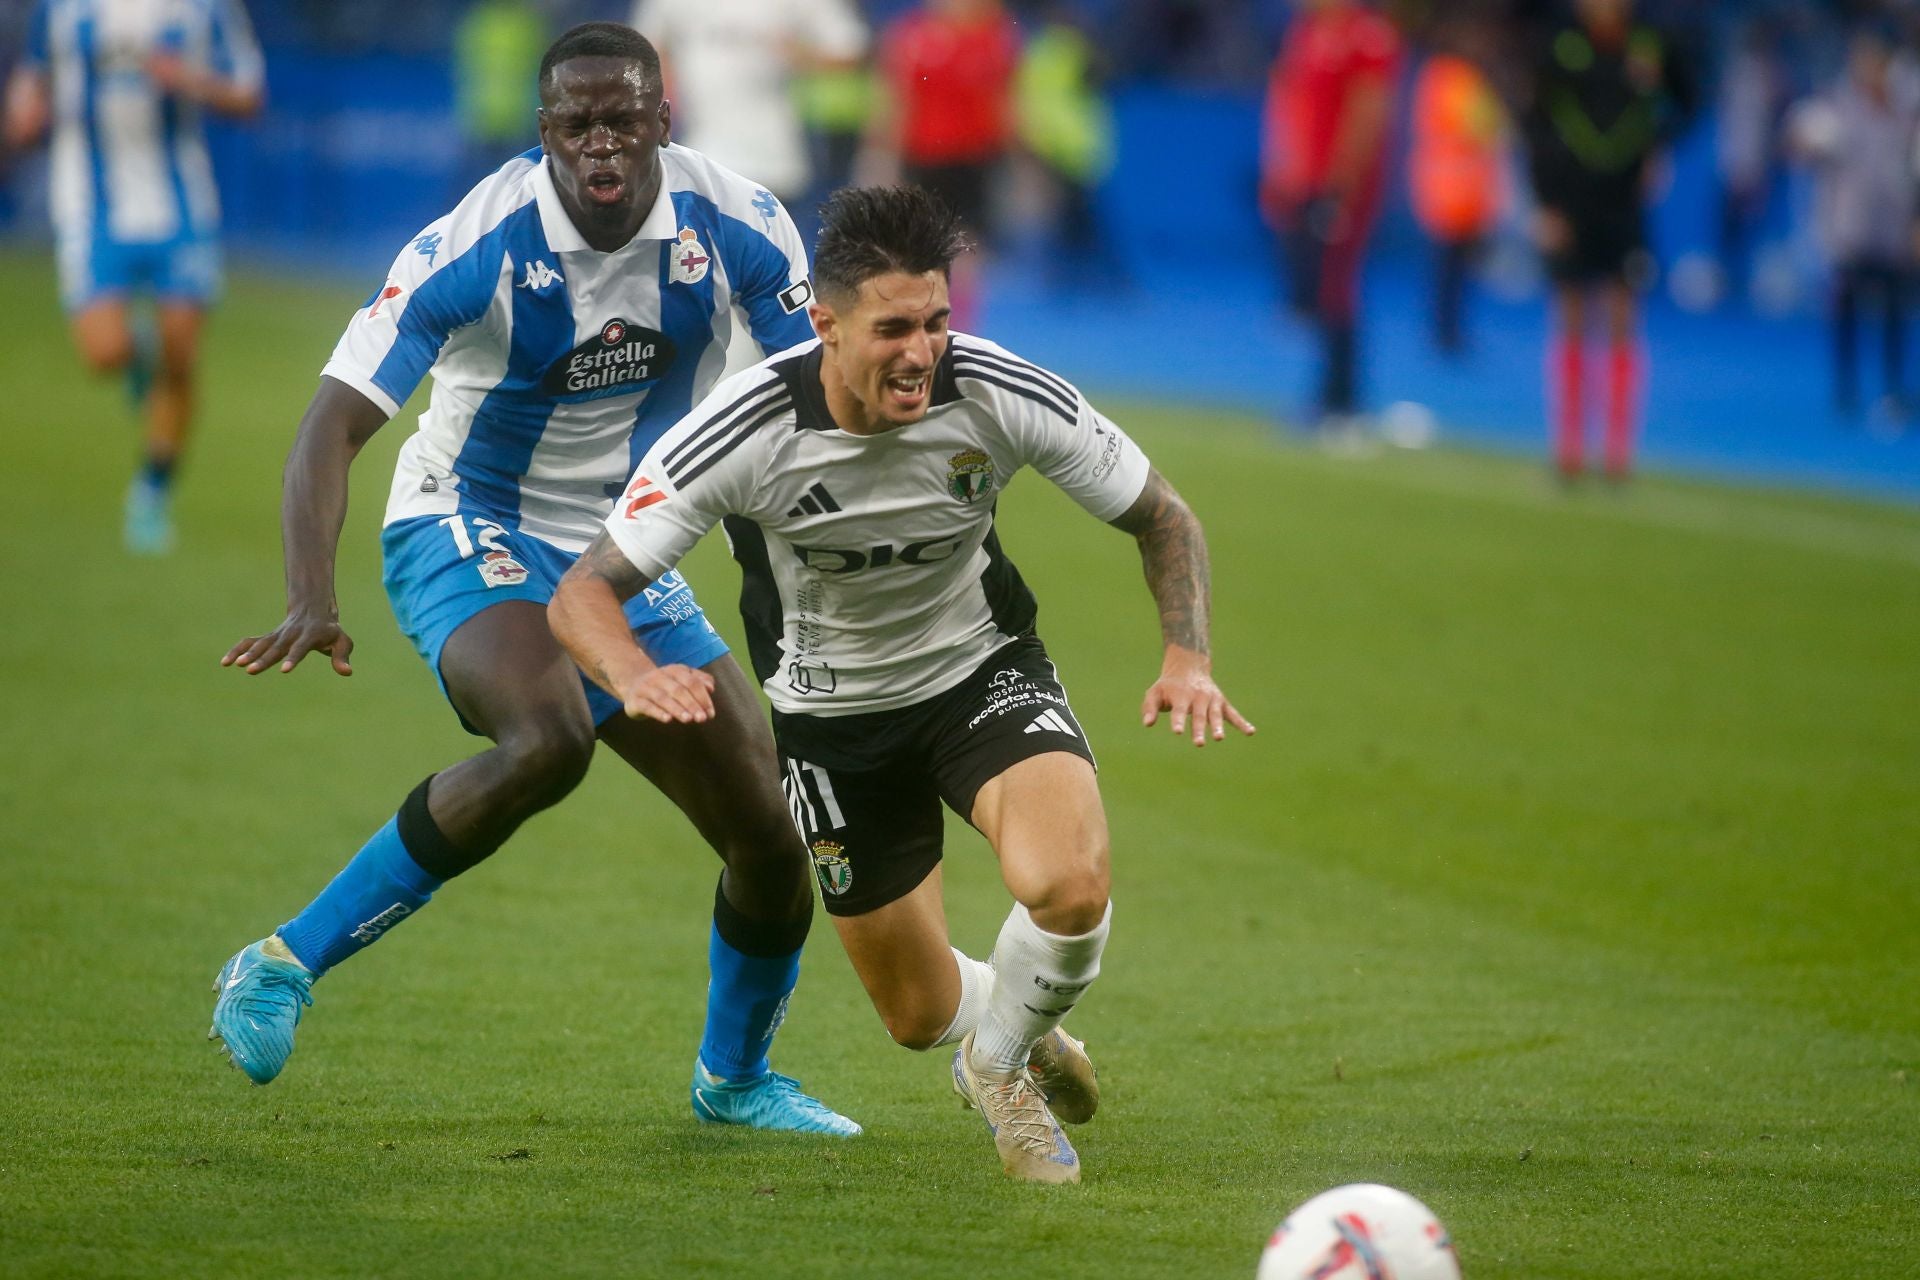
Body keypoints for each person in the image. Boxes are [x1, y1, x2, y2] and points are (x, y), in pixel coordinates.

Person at [209, 23, 857, 1137]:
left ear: (666, 116)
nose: (601, 145)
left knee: (769, 834)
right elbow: (328, 427)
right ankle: (278, 963)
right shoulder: (479, 240)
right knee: (548, 735)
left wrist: (803, 583)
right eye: (575, 125)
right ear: (544, 131)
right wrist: (310, 594)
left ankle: (734, 1079)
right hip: (469, 520)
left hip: (625, 552)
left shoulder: (740, 223)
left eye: (623, 120)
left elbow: (810, 401)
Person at [548, 185, 1255, 1183]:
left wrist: (1188, 656)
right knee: (914, 1012)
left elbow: (1164, 514)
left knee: (1068, 878)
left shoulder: (1001, 389)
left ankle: (1002, 1064)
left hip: (981, 671)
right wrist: (630, 670)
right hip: (832, 722)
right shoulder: (742, 428)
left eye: (936, 321)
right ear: (825, 325)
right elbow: (583, 590)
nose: (921, 352)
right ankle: (1011, 1027)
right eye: (892, 329)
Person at [2, 0, 264, 554]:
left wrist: (189, 79)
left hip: (180, 205)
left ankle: (152, 490)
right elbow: (32, 76)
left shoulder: (206, 9)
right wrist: (24, 113)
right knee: (104, 352)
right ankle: (135, 358)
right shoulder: (62, 9)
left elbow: (248, 94)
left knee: (182, 352)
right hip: (90, 204)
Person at [1523, 0, 1694, 483]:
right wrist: (1545, 201)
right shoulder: (1561, 45)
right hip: (1571, 202)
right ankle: (1569, 449)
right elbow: (1535, 122)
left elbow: (1689, 101)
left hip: (1624, 205)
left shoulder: (1651, 44)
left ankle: (1617, 454)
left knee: (1623, 317)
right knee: (1571, 316)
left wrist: (1658, 144)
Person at [1260, 0, 1403, 431]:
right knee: (1321, 290)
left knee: (1337, 286)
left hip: (1345, 187)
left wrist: (1342, 183)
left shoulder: (1369, 39)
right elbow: (1291, 103)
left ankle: (1342, 402)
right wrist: (1284, 170)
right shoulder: (1306, 33)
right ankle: (1327, 397)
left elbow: (1369, 114)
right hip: (1307, 181)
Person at [1791, 26, 1920, 425]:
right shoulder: (1838, 106)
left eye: (1877, 62)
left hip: (1894, 229)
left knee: (1895, 313)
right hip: (1850, 230)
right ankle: (1845, 391)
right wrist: (1805, 145)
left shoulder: (1907, 112)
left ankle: (1893, 391)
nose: (1870, 70)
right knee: (1846, 311)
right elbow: (1798, 143)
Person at [870, 0, 1022, 329]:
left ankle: (957, 328)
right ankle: (915, 322)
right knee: (914, 249)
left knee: (967, 250)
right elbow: (896, 101)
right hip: (922, 158)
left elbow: (1006, 103)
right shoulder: (912, 35)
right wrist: (883, 160)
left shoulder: (995, 36)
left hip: (974, 160)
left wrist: (1019, 162)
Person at [630, 0, 867, 210]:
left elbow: (850, 49)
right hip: (700, 154)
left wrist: (800, 55)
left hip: (774, 162)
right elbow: (644, 47)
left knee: (770, 256)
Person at [1407, 16, 1507, 357]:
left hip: (1455, 191)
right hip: (1453, 192)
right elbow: (1484, 125)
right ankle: (1445, 332)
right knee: (1449, 270)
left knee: (1452, 270)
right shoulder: (1455, 77)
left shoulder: (1440, 75)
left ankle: (1446, 330)